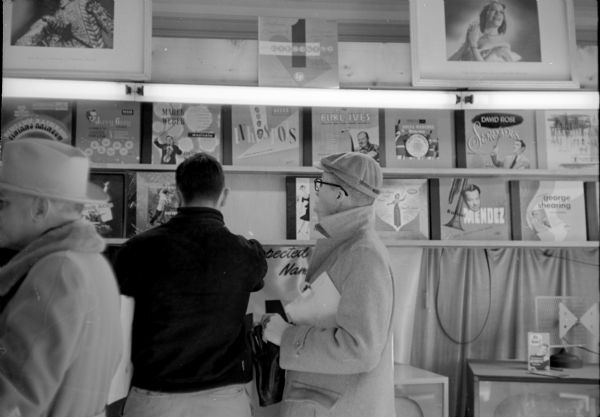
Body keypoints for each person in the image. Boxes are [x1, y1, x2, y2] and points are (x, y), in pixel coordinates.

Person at [113, 152, 268, 417]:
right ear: (224, 195)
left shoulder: (137, 250)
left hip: (154, 395)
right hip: (225, 400)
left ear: (176, 193)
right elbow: (256, 281)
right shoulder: (246, 254)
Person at [262, 152, 395, 417]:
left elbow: (361, 349)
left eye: (320, 184)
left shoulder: (362, 254)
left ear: (339, 195)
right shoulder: (348, 247)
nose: (316, 192)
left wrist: (287, 337)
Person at [0, 138, 122, 417]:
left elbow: (13, 399)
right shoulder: (92, 264)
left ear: (40, 208)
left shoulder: (58, 271)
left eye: (2, 204)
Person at [11, 0, 114, 48]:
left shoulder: (86, 3)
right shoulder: (45, 22)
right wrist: (46, 30)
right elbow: (21, 45)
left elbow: (113, 31)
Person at [449, 1, 521, 62]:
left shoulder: (503, 44)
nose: (498, 14)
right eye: (493, 10)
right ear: (485, 14)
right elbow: (449, 63)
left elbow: (484, 70)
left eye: (501, 12)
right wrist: (468, 45)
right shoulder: (472, 37)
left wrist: (474, 45)